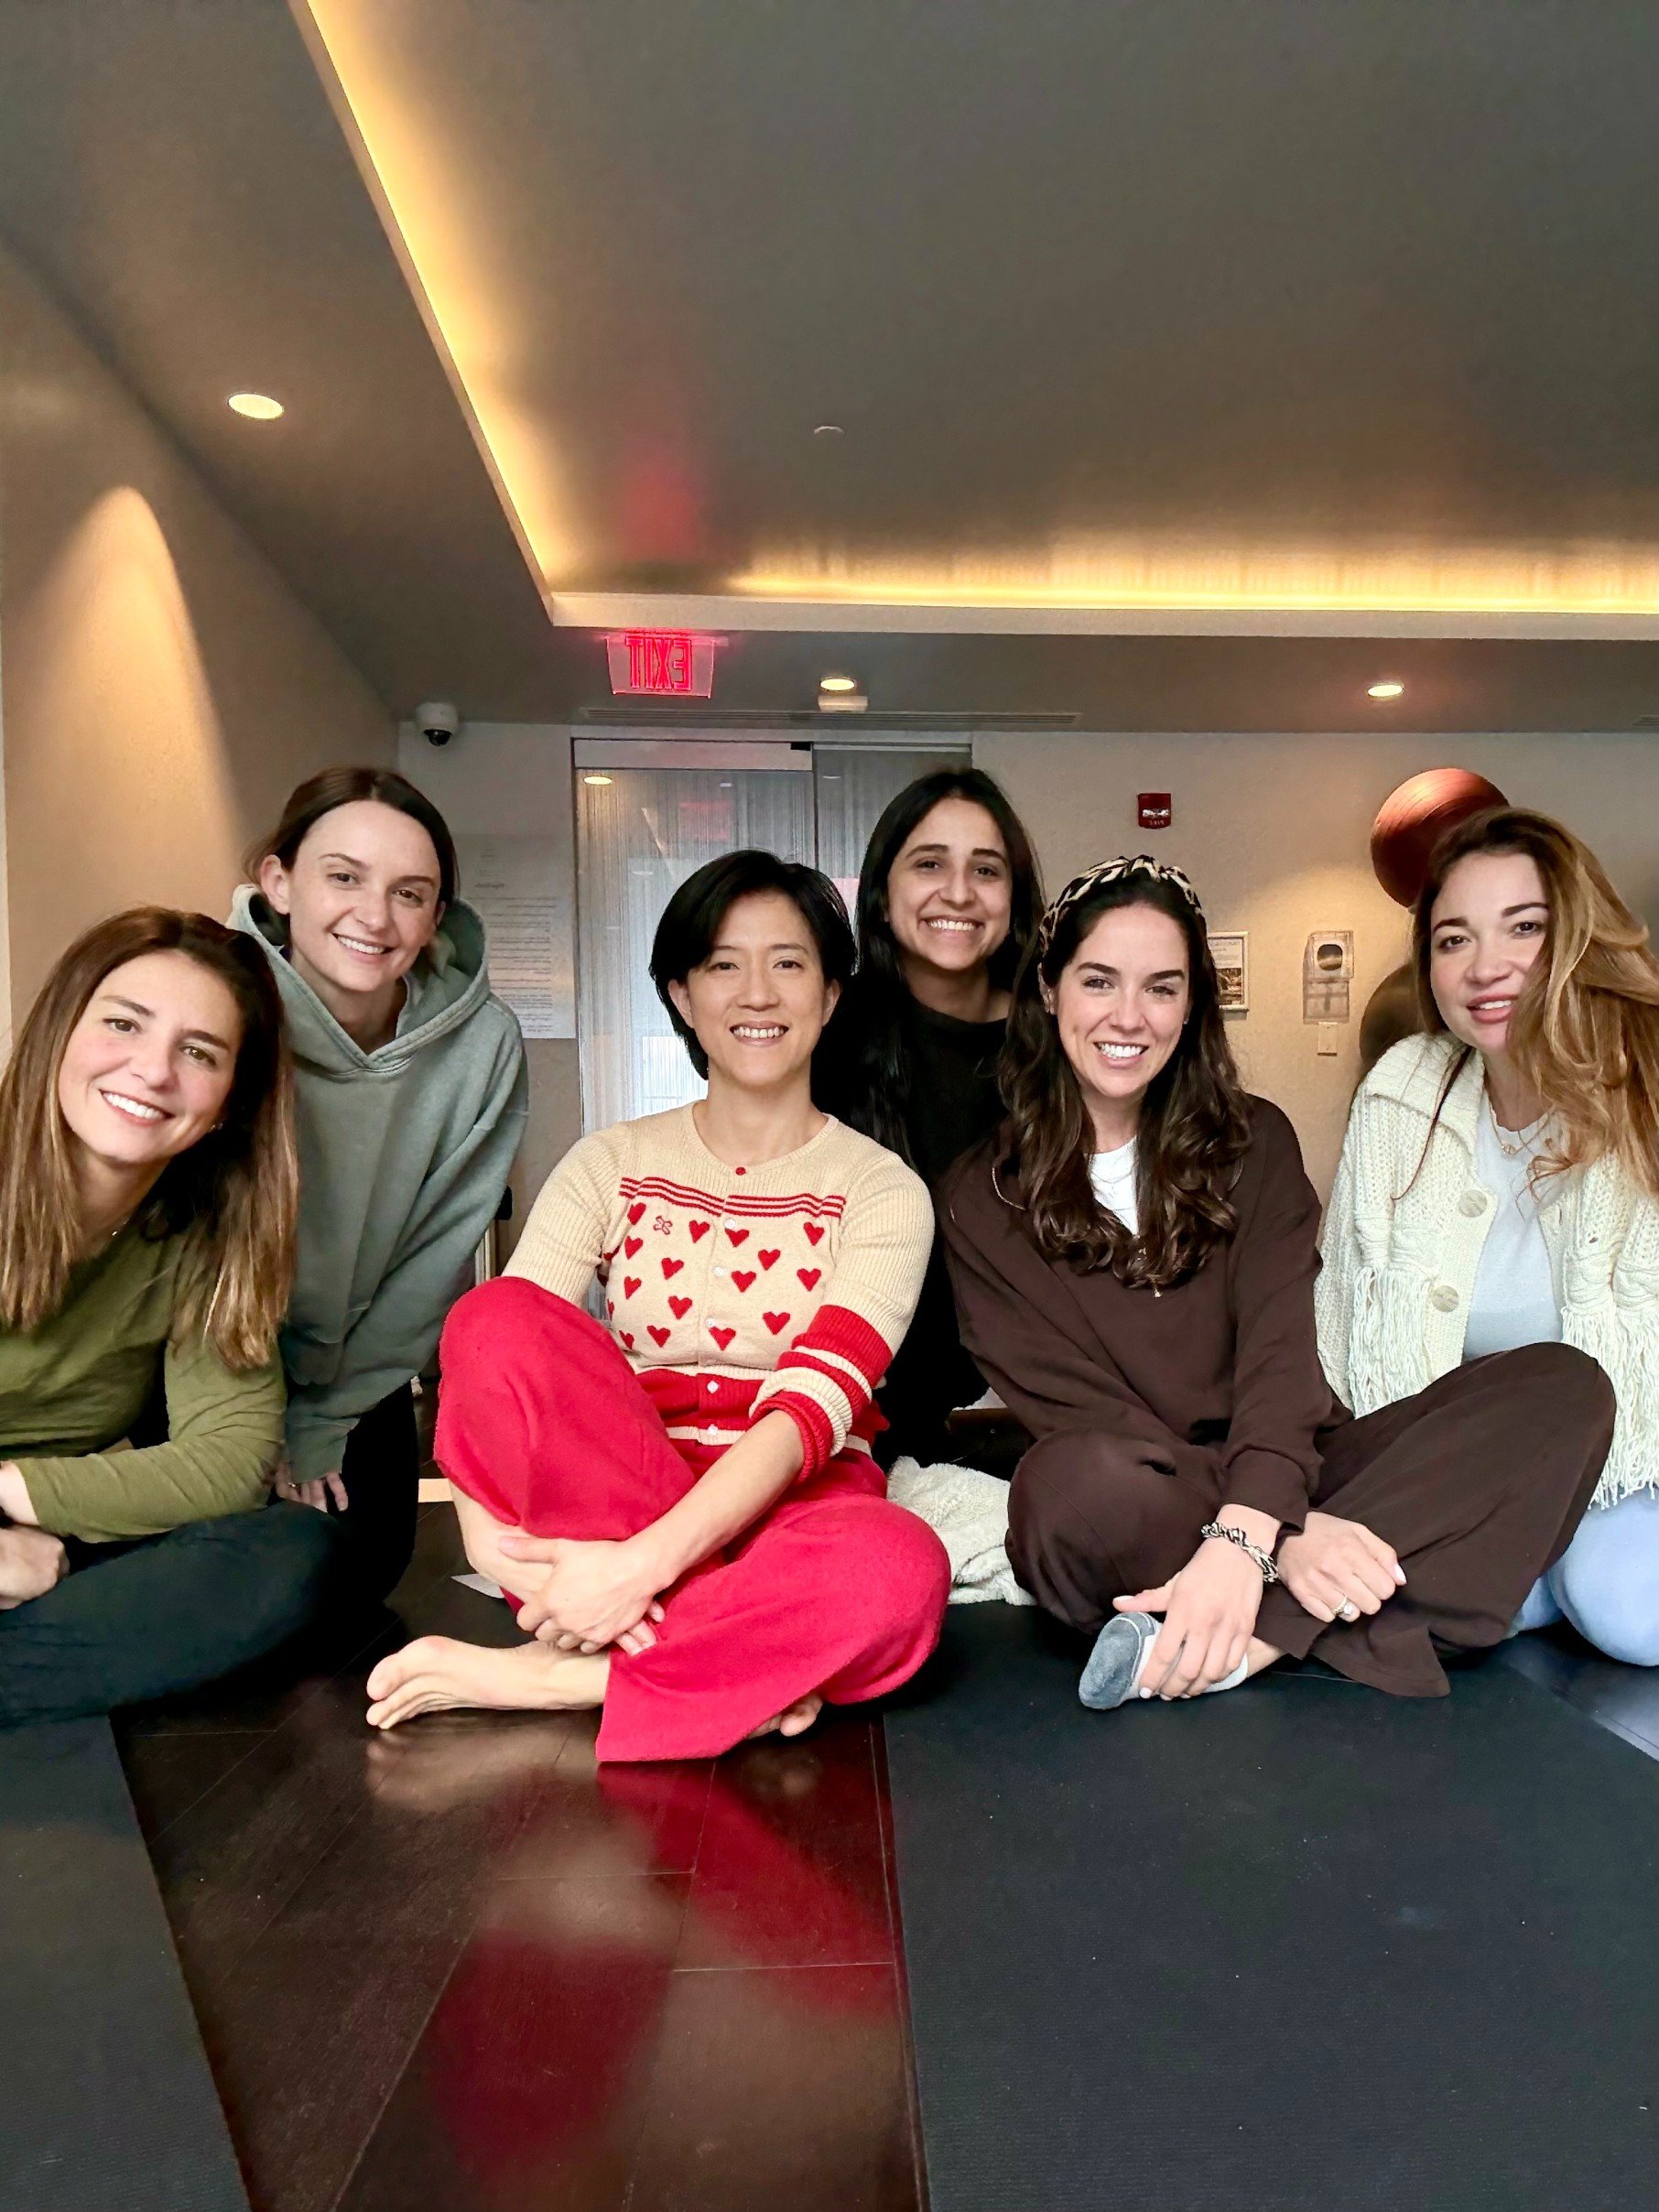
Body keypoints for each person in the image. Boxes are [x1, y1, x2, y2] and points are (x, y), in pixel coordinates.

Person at [939, 855, 1613, 1710]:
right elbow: (1083, 1415)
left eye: (1161, 987)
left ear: (1192, 1005)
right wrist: (1279, 1538)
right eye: (1099, 981)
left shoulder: (1254, 1141)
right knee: (1063, 1493)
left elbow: (1282, 1362)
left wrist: (1264, 1524)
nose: (1128, 1017)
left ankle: (1254, 1640)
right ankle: (1346, 1607)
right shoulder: (980, 1196)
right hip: (1154, 1496)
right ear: (1049, 989)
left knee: (1566, 1387)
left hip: (1300, 1463)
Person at [363, 850, 949, 1756]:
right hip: (615, 1499)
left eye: (789, 963)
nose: (758, 993)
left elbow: (806, 1414)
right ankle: (745, 1666)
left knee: (899, 1570)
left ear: (832, 995)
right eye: (724, 964)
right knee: (491, 1312)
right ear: (681, 994)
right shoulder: (613, 1160)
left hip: (788, 1503)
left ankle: (569, 1679)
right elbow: (497, 1356)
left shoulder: (882, 1190)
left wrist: (642, 1571)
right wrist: (488, 1545)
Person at [1318, 807, 1659, 1665]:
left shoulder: (1647, 1086)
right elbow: (1341, 1311)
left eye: (1524, 928)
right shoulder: (1403, 1092)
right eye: (1453, 939)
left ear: (1576, 936)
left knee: (1632, 1614)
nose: (1485, 967)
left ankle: (1500, 1585)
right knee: (1429, 1590)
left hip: (1624, 1469)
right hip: (1453, 1467)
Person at [0, 908, 335, 1725]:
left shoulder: (205, 1234)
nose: (152, 1072)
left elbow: (227, 1460)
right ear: (59, 1034)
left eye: (199, 1053)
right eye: (123, 1024)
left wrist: (9, 1498)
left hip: (37, 1524)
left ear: (226, 1103)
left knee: (290, 1555)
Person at [233, 767, 527, 1601]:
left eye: (410, 892)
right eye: (343, 877)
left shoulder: (483, 1045)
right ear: (279, 881)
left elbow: (437, 1254)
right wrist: (257, 1418)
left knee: (355, 1579)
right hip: (214, 1368)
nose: (374, 915)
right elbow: (197, 1246)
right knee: (243, 1580)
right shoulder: (219, 1005)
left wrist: (324, 1422)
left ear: (437, 916)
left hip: (358, 1380)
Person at [817, 767, 1041, 1467]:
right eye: (930, 864)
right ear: (883, 894)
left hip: (1035, 1416)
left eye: (986, 869)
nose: (959, 892)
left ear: (1014, 898)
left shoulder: (1060, 1038)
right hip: (858, 1410)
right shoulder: (830, 1033)